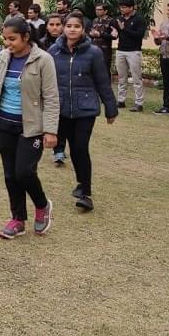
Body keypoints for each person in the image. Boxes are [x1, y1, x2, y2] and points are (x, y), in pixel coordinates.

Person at [0, 17, 57, 240]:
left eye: (12, 39)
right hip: (3, 124)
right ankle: (18, 219)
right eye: (5, 39)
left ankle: (42, 205)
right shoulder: (2, 57)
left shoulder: (44, 60)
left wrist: (51, 130)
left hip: (31, 127)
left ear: (26, 37)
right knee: (10, 174)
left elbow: (51, 98)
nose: (7, 43)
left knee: (24, 172)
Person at [48, 11, 118, 211]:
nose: (72, 30)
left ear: (83, 29)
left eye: (77, 26)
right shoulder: (53, 51)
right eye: (69, 26)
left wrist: (110, 108)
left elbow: (103, 81)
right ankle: (81, 183)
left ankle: (86, 192)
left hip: (85, 109)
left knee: (80, 148)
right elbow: (46, 82)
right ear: (63, 28)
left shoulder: (94, 52)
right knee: (69, 148)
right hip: (62, 109)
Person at [111, 0, 146, 112]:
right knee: (121, 77)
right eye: (121, 7)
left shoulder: (139, 19)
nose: (122, 9)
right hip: (120, 50)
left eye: (124, 7)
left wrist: (124, 29)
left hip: (134, 51)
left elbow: (139, 35)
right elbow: (115, 31)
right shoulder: (119, 19)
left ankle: (139, 103)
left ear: (131, 8)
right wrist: (115, 32)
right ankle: (121, 100)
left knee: (136, 78)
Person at [89, 3, 117, 75]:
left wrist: (100, 35)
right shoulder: (94, 20)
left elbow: (114, 36)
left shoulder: (111, 21)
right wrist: (91, 34)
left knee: (105, 71)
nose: (97, 11)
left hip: (105, 50)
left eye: (99, 10)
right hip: (94, 49)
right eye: (96, 10)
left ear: (105, 11)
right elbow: (91, 33)